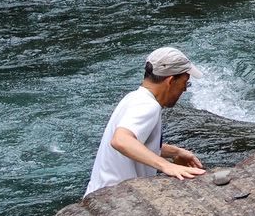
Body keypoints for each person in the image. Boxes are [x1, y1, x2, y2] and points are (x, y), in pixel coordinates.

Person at [84, 46, 206, 197]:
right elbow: (120, 140)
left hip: (100, 193)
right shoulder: (148, 106)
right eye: (184, 82)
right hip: (115, 198)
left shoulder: (134, 97)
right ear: (170, 81)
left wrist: (174, 152)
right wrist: (167, 166)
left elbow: (135, 143)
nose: (185, 90)